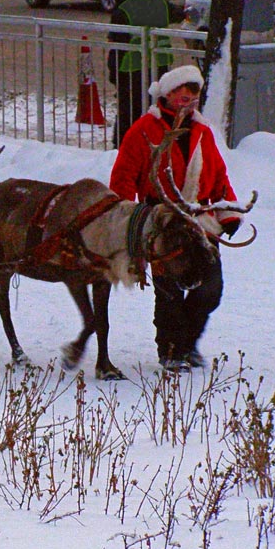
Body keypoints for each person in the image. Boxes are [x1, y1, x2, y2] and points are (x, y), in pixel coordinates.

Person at [108, 64, 241, 371]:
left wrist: (228, 213)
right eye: (182, 92)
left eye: (193, 93)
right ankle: (171, 351)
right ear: (167, 95)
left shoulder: (203, 132)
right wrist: (128, 220)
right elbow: (123, 179)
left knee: (210, 289)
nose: (188, 98)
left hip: (199, 221)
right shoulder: (142, 131)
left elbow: (219, 177)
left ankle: (186, 343)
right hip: (162, 221)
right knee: (169, 291)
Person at [107, 0, 174, 150]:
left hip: (131, 68)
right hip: (160, 66)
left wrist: (113, 74)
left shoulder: (124, 9)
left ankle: (122, 147)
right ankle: (155, 144)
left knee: (128, 112)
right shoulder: (161, 5)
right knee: (157, 110)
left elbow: (118, 47)